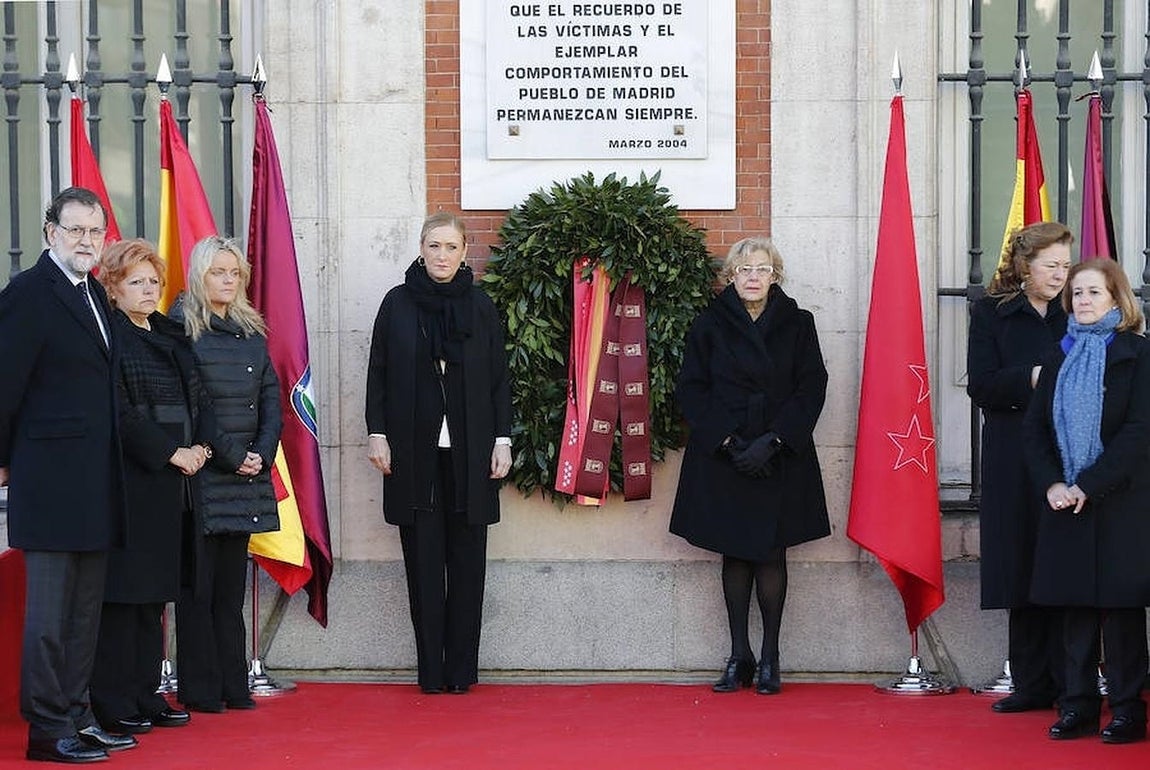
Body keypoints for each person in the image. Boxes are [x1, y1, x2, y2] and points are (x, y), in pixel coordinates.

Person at [0, 187, 138, 762]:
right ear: (50, 232)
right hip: (50, 481)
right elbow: (5, 386)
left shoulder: (96, 297)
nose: (86, 241)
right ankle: (47, 729)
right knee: (51, 618)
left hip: (95, 482)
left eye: (94, 231)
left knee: (84, 613)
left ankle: (78, 716)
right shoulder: (29, 294)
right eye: (75, 230)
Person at [669, 237, 830, 695]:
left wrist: (774, 440)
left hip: (779, 454)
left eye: (762, 270)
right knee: (734, 552)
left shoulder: (799, 324)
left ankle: (771, 656)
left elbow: (811, 387)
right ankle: (739, 654)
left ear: (774, 276)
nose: (753, 278)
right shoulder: (708, 324)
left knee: (772, 553)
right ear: (731, 277)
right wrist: (728, 441)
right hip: (725, 455)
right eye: (744, 270)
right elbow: (692, 388)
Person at [366, 212, 512, 694]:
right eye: (434, 246)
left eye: (451, 247)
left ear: (464, 251)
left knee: (468, 568)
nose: (442, 256)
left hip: (471, 456)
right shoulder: (397, 303)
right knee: (424, 568)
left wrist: (502, 441)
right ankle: (431, 672)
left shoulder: (481, 305)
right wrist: (377, 432)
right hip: (415, 455)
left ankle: (461, 674)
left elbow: (497, 380)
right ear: (421, 249)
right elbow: (379, 374)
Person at [1024, 258, 1150, 744]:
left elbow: (1139, 432)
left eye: (1094, 293)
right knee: (1072, 609)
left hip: (1119, 502)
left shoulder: (1138, 355)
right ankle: (1076, 704)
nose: (1083, 301)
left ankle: (1126, 710)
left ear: (1117, 299)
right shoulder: (1060, 355)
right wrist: (1054, 484)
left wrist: (1089, 483)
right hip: (1065, 502)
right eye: (1077, 294)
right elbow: (1035, 432)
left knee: (1120, 612)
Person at [90, 239, 211, 734]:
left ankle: (145, 693)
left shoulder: (168, 332)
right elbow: (121, 411)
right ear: (113, 289)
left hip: (176, 486)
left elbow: (196, 397)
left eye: (154, 282)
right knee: (125, 597)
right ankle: (112, 701)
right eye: (136, 282)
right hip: (133, 482)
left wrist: (201, 446)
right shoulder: (110, 337)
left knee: (156, 596)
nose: (148, 290)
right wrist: (170, 452)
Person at [967, 221, 1073, 713]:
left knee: (1062, 558)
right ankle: (1031, 683)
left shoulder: (1075, 311)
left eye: (1066, 265)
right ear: (1024, 266)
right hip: (1011, 447)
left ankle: (1074, 680)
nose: (1060, 275)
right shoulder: (991, 313)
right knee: (1019, 557)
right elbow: (981, 385)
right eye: (1051, 265)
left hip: (1065, 448)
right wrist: (1032, 377)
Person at [173, 236, 282, 713]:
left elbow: (273, 398)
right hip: (203, 477)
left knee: (230, 592)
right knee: (198, 589)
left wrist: (260, 451)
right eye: (219, 272)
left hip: (247, 477)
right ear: (200, 274)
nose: (227, 280)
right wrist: (233, 454)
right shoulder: (180, 327)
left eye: (235, 273)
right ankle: (201, 689)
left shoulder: (251, 329)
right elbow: (195, 403)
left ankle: (234, 686)